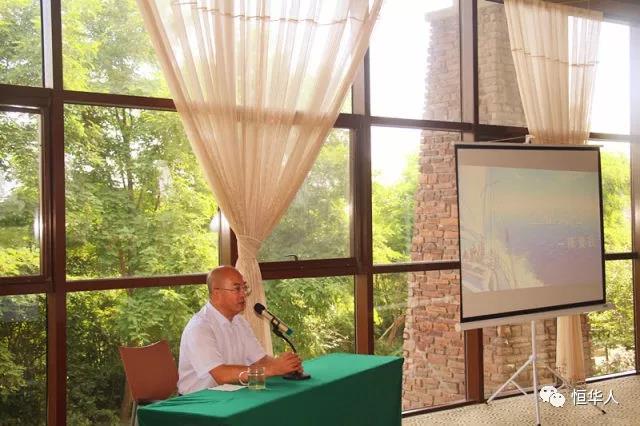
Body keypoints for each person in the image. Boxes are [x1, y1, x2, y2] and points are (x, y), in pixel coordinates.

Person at [178, 265, 302, 394]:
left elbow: (260, 360)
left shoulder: (239, 321)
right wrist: (273, 369)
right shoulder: (200, 327)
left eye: (244, 288)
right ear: (216, 293)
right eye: (237, 289)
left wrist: (285, 365)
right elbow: (221, 375)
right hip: (199, 400)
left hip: (232, 393)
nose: (243, 294)